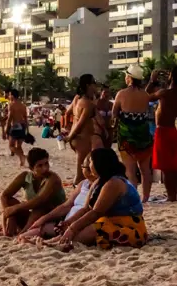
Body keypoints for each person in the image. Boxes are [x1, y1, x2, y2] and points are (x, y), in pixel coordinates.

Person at [49, 148, 147, 250]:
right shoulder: (99, 181)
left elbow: (96, 212)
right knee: (90, 223)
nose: (89, 166)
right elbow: (86, 209)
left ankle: (64, 242)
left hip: (130, 227)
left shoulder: (114, 183)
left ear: (99, 163)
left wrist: (72, 228)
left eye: (91, 162)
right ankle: (59, 240)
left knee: (97, 226)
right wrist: (68, 223)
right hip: (112, 222)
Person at [18, 153, 97, 242]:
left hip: (80, 225)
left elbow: (89, 211)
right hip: (65, 224)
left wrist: (69, 224)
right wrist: (44, 219)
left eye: (84, 166)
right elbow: (66, 205)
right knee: (25, 236)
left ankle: (52, 241)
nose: (82, 168)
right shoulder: (83, 184)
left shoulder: (102, 186)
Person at [0, 148, 66, 237]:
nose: (45, 168)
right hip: (34, 216)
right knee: (10, 201)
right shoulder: (25, 177)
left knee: (40, 206)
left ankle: (24, 233)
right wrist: (9, 216)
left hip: (54, 216)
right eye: (40, 166)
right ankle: (13, 229)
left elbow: (40, 199)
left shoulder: (53, 178)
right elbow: (4, 195)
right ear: (31, 168)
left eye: (46, 163)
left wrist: (14, 209)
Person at [112, 64, 153, 202]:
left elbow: (114, 114)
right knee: (145, 170)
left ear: (129, 77)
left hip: (127, 137)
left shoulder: (121, 94)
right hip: (144, 136)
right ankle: (145, 197)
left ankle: (134, 197)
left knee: (130, 170)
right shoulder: (145, 95)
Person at [146, 67, 177, 201]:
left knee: (165, 166)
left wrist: (152, 81)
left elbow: (146, 96)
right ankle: (173, 194)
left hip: (163, 130)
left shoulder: (164, 93)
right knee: (173, 164)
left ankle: (171, 196)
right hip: (172, 129)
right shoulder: (171, 93)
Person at [65, 74, 102, 185]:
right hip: (82, 138)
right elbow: (81, 123)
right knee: (81, 172)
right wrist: (69, 136)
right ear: (88, 85)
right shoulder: (88, 104)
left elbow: (67, 113)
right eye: (94, 84)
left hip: (76, 137)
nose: (95, 86)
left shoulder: (77, 99)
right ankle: (77, 193)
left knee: (83, 166)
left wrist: (68, 130)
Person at [4, 89, 28, 167]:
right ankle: (22, 162)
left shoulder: (11, 105)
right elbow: (25, 118)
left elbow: (10, 118)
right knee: (19, 146)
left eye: (10, 95)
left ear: (13, 96)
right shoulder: (23, 106)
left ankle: (22, 157)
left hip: (15, 126)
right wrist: (27, 129)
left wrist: (6, 129)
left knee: (11, 146)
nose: (9, 96)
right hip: (22, 126)